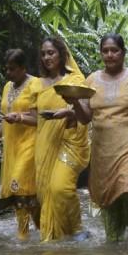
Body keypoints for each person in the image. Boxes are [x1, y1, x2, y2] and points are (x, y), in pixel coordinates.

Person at [66, 34, 128, 241]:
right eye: (105, 51)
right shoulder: (91, 80)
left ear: (123, 53)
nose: (109, 54)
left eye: (114, 50)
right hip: (103, 149)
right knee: (108, 195)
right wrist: (74, 102)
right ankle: (114, 240)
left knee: (127, 186)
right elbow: (85, 118)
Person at [30, 37, 90, 241]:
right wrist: (18, 117)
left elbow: (85, 114)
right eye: (43, 53)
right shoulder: (37, 84)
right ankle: (59, 236)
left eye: (51, 52)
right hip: (45, 143)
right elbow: (35, 116)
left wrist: (66, 112)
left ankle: (77, 229)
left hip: (71, 142)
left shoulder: (75, 81)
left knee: (60, 188)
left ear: (62, 54)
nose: (47, 57)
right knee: (45, 192)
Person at [0, 49, 40, 240]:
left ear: (23, 68)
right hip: (12, 145)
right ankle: (40, 227)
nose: (8, 73)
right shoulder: (7, 87)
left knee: (19, 186)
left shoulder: (35, 84)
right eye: (6, 69)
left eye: (12, 69)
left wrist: (19, 117)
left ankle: (23, 234)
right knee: (25, 192)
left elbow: (39, 118)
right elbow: (5, 116)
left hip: (30, 142)